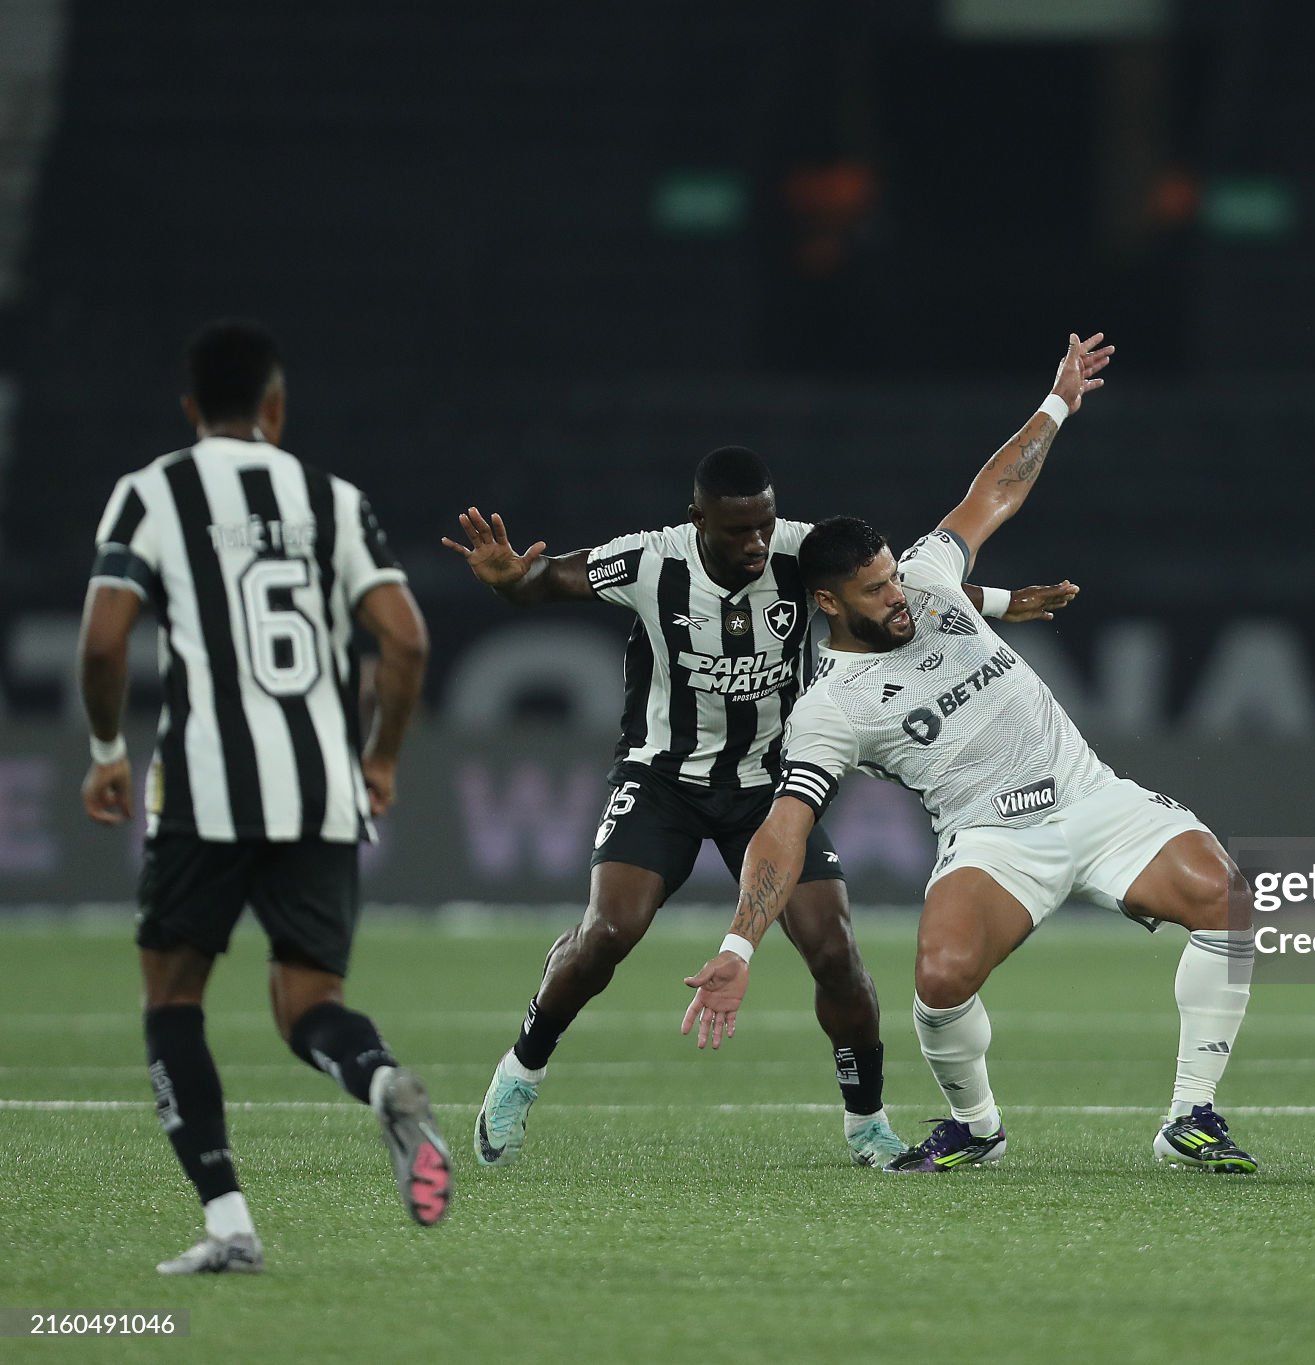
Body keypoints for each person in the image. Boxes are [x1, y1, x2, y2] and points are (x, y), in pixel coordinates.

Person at [681, 334, 1261, 1175]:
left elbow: (993, 492)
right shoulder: (829, 709)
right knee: (942, 975)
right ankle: (976, 1126)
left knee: (1228, 902)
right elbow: (783, 829)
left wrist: (1058, 400)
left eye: (894, 574)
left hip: (1093, 800)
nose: (899, 595)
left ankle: (1191, 1115)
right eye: (876, 590)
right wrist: (738, 950)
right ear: (828, 602)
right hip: (994, 839)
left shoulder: (929, 579)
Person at [443, 448, 1079, 1168]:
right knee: (611, 928)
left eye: (764, 524)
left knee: (836, 953)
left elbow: (893, 585)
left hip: (772, 786)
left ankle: (867, 1123)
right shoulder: (651, 562)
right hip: (663, 777)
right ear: (698, 521)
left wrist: (999, 602)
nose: (756, 543)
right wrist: (509, 579)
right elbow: (544, 578)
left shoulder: (797, 552)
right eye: (738, 530)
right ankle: (520, 1072)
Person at [79, 320, 449, 1275]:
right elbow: (404, 640)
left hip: (203, 787)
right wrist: (380, 759)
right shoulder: (333, 498)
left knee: (173, 996)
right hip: (321, 785)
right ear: (276, 409)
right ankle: (380, 1084)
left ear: (191, 407)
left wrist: (106, 749)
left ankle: (231, 1224)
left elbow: (103, 640)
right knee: (308, 1003)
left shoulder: (152, 492)